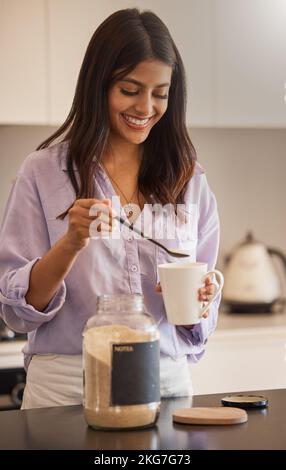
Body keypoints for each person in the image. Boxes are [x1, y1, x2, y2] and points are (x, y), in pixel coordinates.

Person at [0, 8, 219, 408]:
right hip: (67, 390)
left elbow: (194, 323)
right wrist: (71, 242)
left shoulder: (189, 179)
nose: (146, 107)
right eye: (130, 89)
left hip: (165, 385)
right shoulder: (43, 173)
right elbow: (18, 313)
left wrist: (199, 301)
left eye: (160, 93)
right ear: (99, 85)